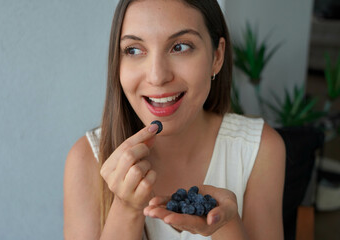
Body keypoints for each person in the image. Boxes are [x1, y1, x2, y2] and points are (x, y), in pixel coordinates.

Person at [63, 0, 286, 239]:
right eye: (134, 50)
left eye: (180, 47)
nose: (157, 76)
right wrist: (126, 208)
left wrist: (225, 224)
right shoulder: (87, 159)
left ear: (217, 56)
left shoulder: (259, 149)